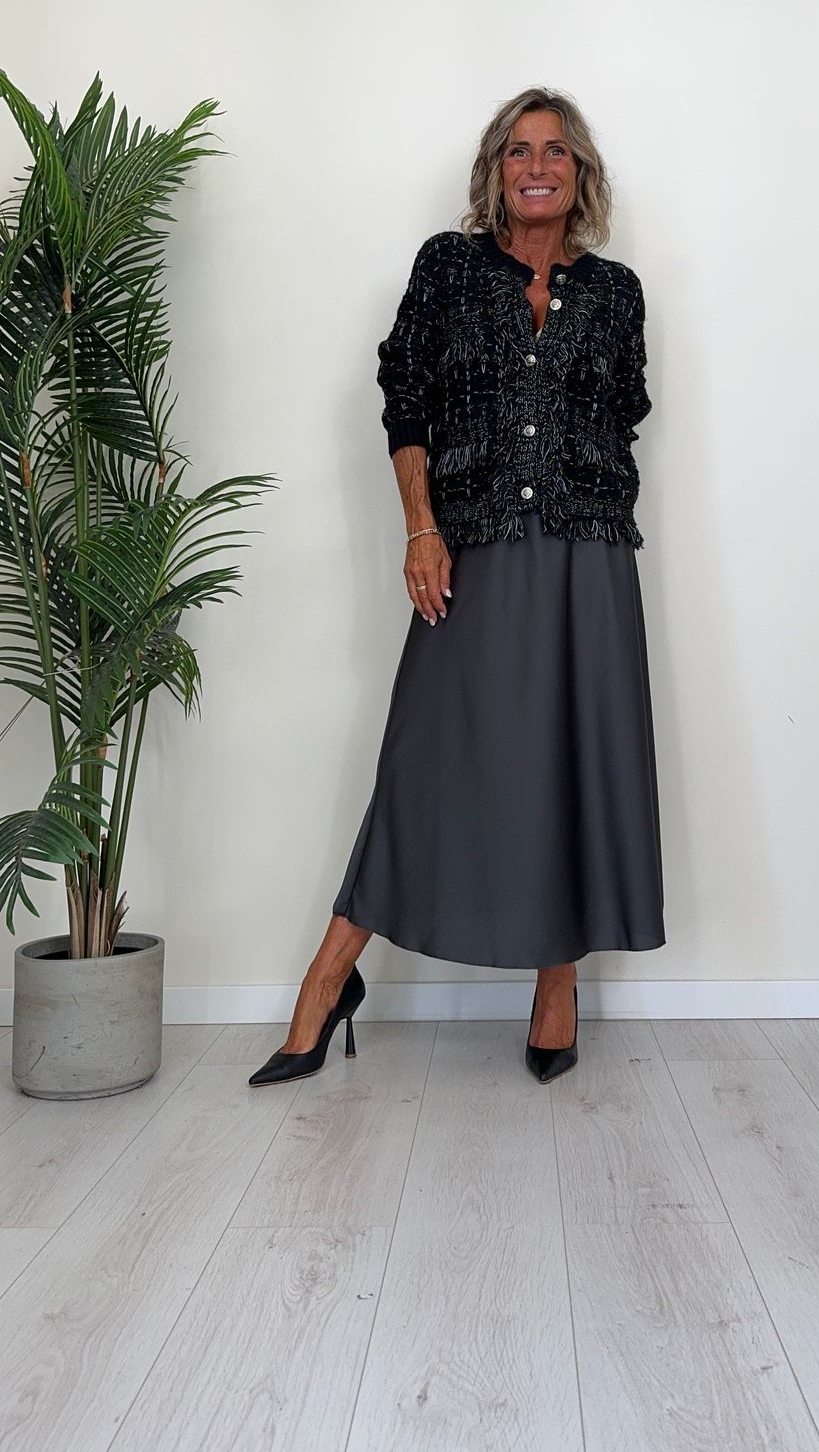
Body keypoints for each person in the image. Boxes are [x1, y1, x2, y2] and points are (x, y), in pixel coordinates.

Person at [250, 85, 664, 1089]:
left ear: (579, 172)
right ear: (494, 171)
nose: (536, 165)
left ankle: (556, 986)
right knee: (425, 760)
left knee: (569, 759)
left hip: (588, 552)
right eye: (518, 150)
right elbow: (405, 394)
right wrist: (422, 525)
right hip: (471, 544)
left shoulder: (615, 291)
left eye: (555, 150)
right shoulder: (448, 266)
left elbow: (625, 409)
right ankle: (327, 978)